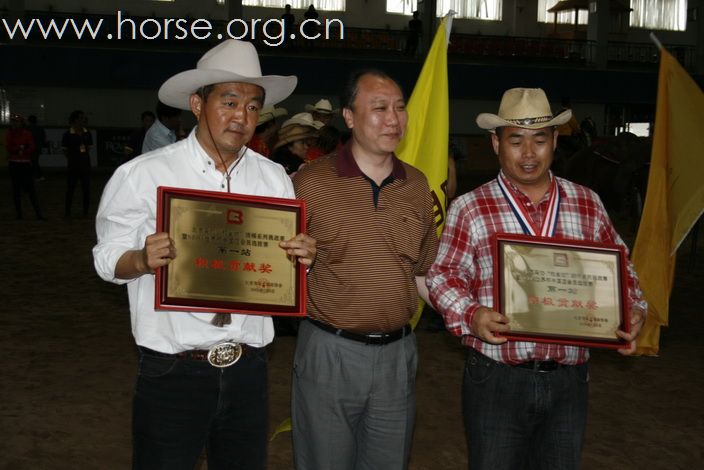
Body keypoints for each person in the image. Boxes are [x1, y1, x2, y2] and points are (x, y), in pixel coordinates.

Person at [92, 39, 316, 470]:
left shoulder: (274, 179)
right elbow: (106, 258)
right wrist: (140, 260)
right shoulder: (144, 174)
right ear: (197, 103)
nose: (242, 117)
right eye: (229, 101)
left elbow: (277, 266)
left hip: (248, 368)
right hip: (173, 372)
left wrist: (300, 256)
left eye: (253, 106)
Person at [426, 88, 647, 470]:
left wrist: (633, 312)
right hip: (496, 377)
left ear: (555, 141)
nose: (528, 153)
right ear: (496, 143)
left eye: (539, 140)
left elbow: (621, 271)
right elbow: (443, 276)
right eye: (516, 140)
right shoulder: (470, 207)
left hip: (568, 380)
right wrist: (472, 315)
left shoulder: (586, 203)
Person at [291, 69, 439, 470]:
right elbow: (279, 268)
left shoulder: (417, 186)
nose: (393, 119)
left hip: (397, 356)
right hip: (329, 352)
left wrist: (469, 314)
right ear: (350, 117)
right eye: (379, 108)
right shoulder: (309, 183)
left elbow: (424, 274)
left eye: (400, 108)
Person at [6, 113, 45, 220]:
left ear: (21, 123)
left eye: (17, 121)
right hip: (14, 164)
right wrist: (22, 147)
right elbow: (10, 148)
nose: (14, 123)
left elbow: (31, 147)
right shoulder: (10, 134)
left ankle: (38, 214)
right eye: (13, 121)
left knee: (31, 190)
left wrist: (19, 149)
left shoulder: (27, 133)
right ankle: (19, 215)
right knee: (16, 190)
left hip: (25, 164)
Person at [62, 110, 93, 218]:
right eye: (80, 118)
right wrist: (73, 158)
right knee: (70, 189)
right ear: (75, 120)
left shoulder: (87, 133)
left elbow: (88, 148)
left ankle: (85, 212)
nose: (83, 120)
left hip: (85, 166)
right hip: (73, 166)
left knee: (86, 190)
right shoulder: (67, 134)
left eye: (84, 118)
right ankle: (67, 212)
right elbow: (65, 150)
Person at [26, 115, 46, 180]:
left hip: (30, 148)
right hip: (38, 148)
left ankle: (37, 175)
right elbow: (43, 139)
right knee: (35, 161)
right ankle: (37, 175)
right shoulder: (40, 128)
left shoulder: (27, 128)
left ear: (29, 121)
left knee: (33, 162)